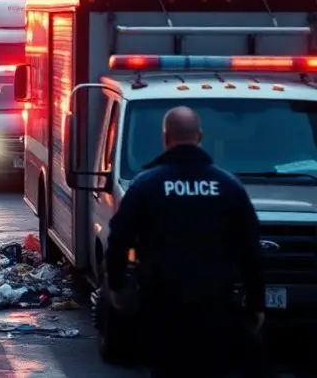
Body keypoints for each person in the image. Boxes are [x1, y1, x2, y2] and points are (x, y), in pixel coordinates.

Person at [105, 106, 266, 378]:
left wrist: (117, 286)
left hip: (162, 304)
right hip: (216, 304)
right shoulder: (228, 186)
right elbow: (251, 251)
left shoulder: (146, 185)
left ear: (165, 138)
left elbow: (119, 238)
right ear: (200, 136)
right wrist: (256, 304)